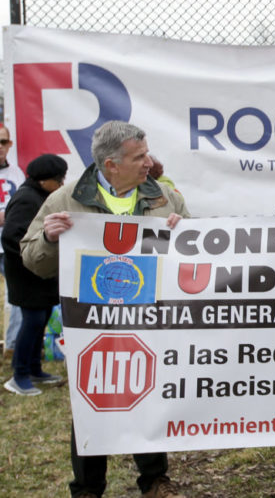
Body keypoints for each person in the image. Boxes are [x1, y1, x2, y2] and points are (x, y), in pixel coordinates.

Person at [19, 121, 186, 498]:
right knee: (91, 404)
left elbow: (193, 250)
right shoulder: (65, 199)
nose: (149, 162)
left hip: (150, 319)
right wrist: (47, 238)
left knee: (148, 397)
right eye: (139, 157)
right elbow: (32, 259)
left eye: (146, 154)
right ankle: (88, 488)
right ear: (111, 164)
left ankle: (155, 480)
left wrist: (184, 233)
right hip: (92, 323)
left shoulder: (163, 196)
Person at [2, 154, 67, 396]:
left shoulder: (39, 196)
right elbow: (11, 237)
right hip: (26, 275)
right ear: (43, 180)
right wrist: (32, 257)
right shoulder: (27, 199)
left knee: (42, 319)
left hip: (41, 274)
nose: (61, 184)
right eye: (58, 179)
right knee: (31, 322)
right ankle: (18, 376)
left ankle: (34, 369)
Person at [0, 125, 26, 352]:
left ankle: (13, 346)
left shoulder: (17, 173)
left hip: (8, 244)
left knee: (15, 296)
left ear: (9, 145)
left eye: (2, 142)